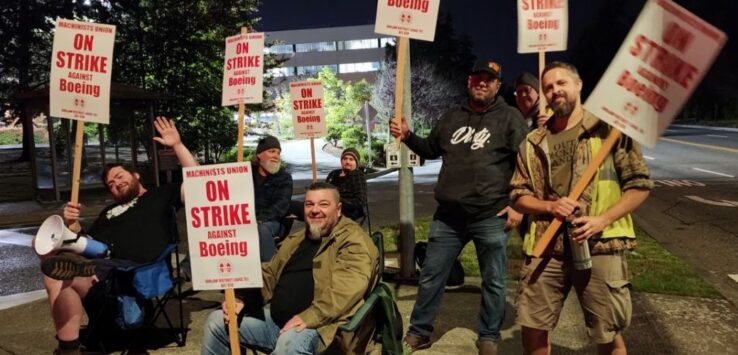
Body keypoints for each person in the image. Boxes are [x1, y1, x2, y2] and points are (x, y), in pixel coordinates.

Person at [509, 61, 652, 355]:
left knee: (607, 333)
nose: (555, 90)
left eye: (562, 83)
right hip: (545, 248)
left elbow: (639, 186)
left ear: (579, 85)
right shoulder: (533, 141)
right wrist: (549, 205)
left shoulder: (608, 130)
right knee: (533, 328)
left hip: (599, 245)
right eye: (548, 87)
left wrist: (602, 220)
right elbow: (518, 195)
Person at [390, 59, 528, 355]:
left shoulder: (510, 118)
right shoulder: (452, 117)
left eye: (489, 79)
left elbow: (527, 164)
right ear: (469, 82)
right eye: (478, 77)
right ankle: (420, 331)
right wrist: (408, 136)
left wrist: (518, 205)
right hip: (448, 218)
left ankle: (489, 335)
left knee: (493, 280)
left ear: (497, 85)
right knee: (431, 276)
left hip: (491, 215)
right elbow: (430, 149)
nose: (482, 83)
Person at [40, 117, 198, 355]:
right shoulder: (108, 212)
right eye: (111, 184)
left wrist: (177, 146)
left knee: (67, 270)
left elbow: (200, 182)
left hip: (138, 270)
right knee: (55, 273)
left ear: (136, 176)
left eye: (120, 176)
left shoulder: (161, 195)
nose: (116, 183)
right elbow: (89, 242)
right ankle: (69, 349)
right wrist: (72, 225)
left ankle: (86, 272)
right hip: (103, 269)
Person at [202, 182, 379, 354]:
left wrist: (308, 317)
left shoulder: (353, 241)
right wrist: (242, 298)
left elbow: (345, 291)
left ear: (338, 209)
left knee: (289, 344)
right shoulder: (298, 238)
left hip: (321, 327)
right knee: (217, 322)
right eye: (309, 204)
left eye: (323, 204)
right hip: (275, 322)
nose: (315, 210)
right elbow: (269, 273)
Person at [251, 135, 293, 261]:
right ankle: (190, 269)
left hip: (272, 222)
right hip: (245, 220)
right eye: (271, 151)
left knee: (262, 229)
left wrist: (258, 220)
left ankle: (268, 270)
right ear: (259, 154)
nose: (276, 156)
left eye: (278, 152)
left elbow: (281, 206)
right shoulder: (245, 173)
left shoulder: (284, 178)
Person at [325, 147, 367, 221]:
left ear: (356, 163)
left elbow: (360, 202)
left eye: (351, 159)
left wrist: (337, 201)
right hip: (327, 207)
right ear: (341, 161)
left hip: (347, 212)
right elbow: (324, 190)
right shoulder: (333, 174)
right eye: (345, 159)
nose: (347, 162)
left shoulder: (357, 175)